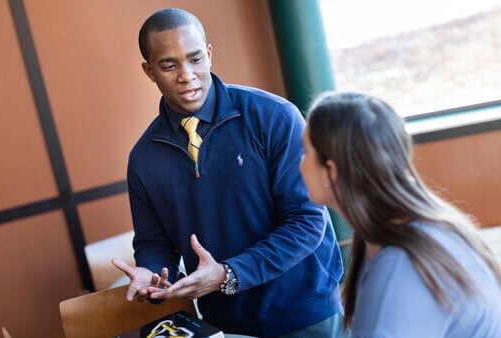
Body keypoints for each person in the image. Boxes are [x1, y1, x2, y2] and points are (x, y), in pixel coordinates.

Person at [111, 8, 344, 338]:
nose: (187, 75)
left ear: (208, 54)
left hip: (304, 314)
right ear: (149, 71)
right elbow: (154, 243)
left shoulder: (274, 117)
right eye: (169, 65)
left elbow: (307, 222)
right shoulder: (143, 159)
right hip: (223, 325)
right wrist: (152, 273)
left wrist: (229, 273)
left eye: (195, 59)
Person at [299, 92, 501, 337]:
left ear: (331, 171)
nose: (300, 163)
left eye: (305, 151)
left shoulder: (400, 266)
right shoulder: (415, 225)